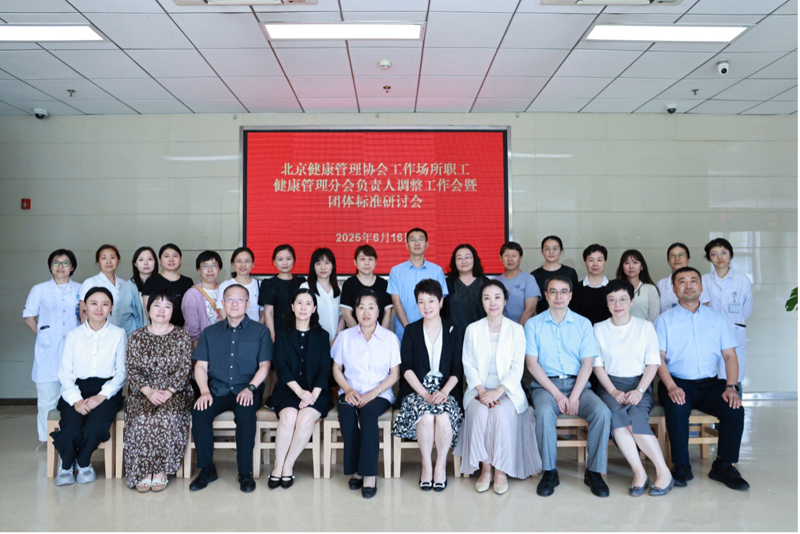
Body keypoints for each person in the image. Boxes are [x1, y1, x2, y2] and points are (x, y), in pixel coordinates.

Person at [655, 267, 748, 491]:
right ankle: (681, 466)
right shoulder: (664, 320)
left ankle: (723, 466)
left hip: (710, 384)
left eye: (693, 281)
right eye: (682, 281)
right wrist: (671, 387)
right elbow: (658, 359)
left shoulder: (717, 319)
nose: (688, 285)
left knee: (734, 409)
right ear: (674, 289)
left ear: (701, 287)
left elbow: (730, 356)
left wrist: (731, 387)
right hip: (676, 382)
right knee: (677, 408)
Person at [525, 274, 611, 498]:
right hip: (546, 386)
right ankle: (550, 472)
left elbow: (588, 363)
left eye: (563, 292)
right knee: (544, 412)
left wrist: (574, 396)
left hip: (578, 384)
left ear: (571, 295)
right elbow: (532, 364)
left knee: (602, 412)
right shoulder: (533, 324)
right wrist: (557, 395)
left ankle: (594, 472)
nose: (558, 296)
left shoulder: (583, 324)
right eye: (553, 292)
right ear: (546, 296)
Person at [454, 279, 541, 494]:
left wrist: (499, 392)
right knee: (480, 414)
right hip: (478, 389)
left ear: (504, 301)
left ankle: (501, 470)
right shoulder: (473, 329)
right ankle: (486, 468)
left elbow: (517, 367)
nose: (492, 302)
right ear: (482, 302)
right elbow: (468, 364)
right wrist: (483, 392)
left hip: (507, 390)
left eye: (497, 297)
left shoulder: (516, 330)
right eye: (487, 298)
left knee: (501, 414)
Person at [592, 279, 673, 496]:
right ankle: (639, 472)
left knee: (636, 417)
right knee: (618, 420)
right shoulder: (598, 328)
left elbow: (653, 363)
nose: (617, 304)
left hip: (639, 384)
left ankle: (663, 471)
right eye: (612, 300)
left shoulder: (645, 327)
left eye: (622, 299)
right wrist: (613, 391)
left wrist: (639, 391)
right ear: (607, 303)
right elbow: (597, 365)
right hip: (609, 386)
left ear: (631, 301)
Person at [190, 284, 273, 493]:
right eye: (230, 299)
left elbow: (265, 366)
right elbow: (200, 366)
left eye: (240, 300)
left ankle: (244, 473)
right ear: (223, 303)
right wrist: (204, 391)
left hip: (247, 390)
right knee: (200, 412)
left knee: (245, 416)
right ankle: (207, 469)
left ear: (248, 303)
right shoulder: (209, 333)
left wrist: (251, 387)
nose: (234, 304)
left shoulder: (260, 332)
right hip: (216, 390)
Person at [392, 280, 464, 492]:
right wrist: (425, 394)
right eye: (421, 301)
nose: (426, 306)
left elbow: (457, 370)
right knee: (425, 415)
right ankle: (426, 464)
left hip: (447, 390)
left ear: (441, 302)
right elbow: (406, 369)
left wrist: (443, 392)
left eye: (431, 301)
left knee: (442, 416)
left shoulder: (453, 330)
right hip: (416, 390)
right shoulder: (411, 331)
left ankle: (440, 466)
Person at [51, 287, 126, 486]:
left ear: (111, 307)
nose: (99, 309)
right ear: (84, 306)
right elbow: (65, 373)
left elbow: (121, 372)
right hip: (75, 390)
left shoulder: (118, 334)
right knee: (71, 429)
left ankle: (83, 462)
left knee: (94, 428)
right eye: (93, 303)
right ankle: (67, 464)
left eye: (105, 304)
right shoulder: (73, 335)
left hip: (107, 391)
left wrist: (102, 396)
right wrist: (76, 400)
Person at [331, 289, 401, 499]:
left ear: (379, 311)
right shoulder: (345, 337)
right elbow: (336, 369)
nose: (366, 312)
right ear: (355, 311)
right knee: (346, 413)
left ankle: (369, 474)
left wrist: (373, 393)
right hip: (350, 391)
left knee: (368, 414)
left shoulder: (389, 338)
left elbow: (395, 374)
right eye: (361, 307)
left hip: (379, 394)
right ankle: (357, 470)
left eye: (371, 307)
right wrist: (348, 389)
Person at [124, 290, 194, 492]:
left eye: (167, 306)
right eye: (157, 305)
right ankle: (144, 471)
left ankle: (161, 470)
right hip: (143, 392)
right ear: (148, 310)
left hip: (176, 392)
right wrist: (149, 392)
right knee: (143, 418)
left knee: (166, 416)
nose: (161, 310)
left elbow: (185, 368)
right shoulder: (137, 336)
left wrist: (169, 391)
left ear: (173, 311)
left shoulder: (181, 335)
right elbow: (131, 368)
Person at [268, 289, 333, 490]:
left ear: (314, 309)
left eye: (308, 303)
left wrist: (312, 395)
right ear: (293, 307)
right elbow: (281, 367)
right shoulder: (282, 334)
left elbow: (324, 369)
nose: (303, 307)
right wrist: (300, 392)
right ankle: (278, 465)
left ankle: (288, 465)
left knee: (305, 418)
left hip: (317, 392)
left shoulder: (322, 336)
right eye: (299, 303)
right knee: (288, 418)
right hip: (289, 390)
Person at [23, 249, 81, 446]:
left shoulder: (80, 288)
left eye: (65, 263)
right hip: (47, 351)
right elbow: (29, 317)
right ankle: (47, 441)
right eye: (56, 262)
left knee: (74, 394)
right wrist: (43, 337)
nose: (60, 266)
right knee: (47, 396)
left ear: (72, 267)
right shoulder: (39, 289)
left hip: (74, 348)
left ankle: (70, 437)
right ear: (50, 266)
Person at [702, 238, 752, 388]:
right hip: (710, 332)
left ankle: (736, 397)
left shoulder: (742, 280)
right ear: (709, 258)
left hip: (734, 330)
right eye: (714, 254)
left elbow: (746, 309)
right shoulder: (704, 280)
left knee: (734, 377)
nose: (719, 257)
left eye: (723, 252)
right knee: (713, 377)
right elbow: (703, 308)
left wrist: (734, 321)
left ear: (730, 254)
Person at [387, 228, 448, 341]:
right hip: (403, 331)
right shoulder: (396, 271)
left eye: (420, 239)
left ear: (427, 244)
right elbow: (396, 302)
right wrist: (409, 328)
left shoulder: (437, 271)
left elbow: (440, 301)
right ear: (406, 245)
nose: (417, 243)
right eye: (412, 240)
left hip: (431, 331)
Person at [259, 244, 306, 342]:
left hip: (300, 332)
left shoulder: (301, 282)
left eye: (288, 259)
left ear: (294, 260)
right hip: (278, 333)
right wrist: (272, 337)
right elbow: (268, 313)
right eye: (280, 259)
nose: (285, 263)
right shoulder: (269, 284)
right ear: (274, 262)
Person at [340, 244, 393, 330]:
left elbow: (387, 313)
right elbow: (346, 315)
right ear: (355, 262)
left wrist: (381, 335)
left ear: (375, 262)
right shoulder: (349, 284)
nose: (366, 263)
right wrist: (359, 335)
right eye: (362, 259)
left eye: (370, 259)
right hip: (354, 335)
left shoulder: (383, 284)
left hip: (379, 335)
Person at [142, 243, 194, 327]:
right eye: (166, 256)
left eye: (175, 256)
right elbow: (148, 313)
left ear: (180, 259)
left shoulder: (187, 282)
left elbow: (191, 312)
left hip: (183, 330)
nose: (171, 259)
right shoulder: (151, 281)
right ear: (160, 260)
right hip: (158, 329)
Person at [300, 248, 345, 344]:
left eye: (327, 263)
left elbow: (342, 316)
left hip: (336, 341)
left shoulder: (339, 290)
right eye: (318, 263)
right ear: (313, 267)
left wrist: (337, 338)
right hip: (313, 341)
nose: (323, 267)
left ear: (333, 266)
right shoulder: (305, 287)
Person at [442, 244, 487, 334]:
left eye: (467, 257)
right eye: (459, 258)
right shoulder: (447, 283)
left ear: (474, 259)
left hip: (479, 335)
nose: (463, 261)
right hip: (453, 336)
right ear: (454, 261)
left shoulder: (485, 283)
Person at [182, 250, 223, 349]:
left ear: (219, 269)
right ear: (199, 270)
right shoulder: (192, 294)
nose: (210, 270)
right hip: (205, 345)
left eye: (214, 266)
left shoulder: (226, 290)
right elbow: (192, 330)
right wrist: (199, 352)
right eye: (205, 266)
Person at [112, 246, 156, 336]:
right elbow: (123, 318)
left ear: (155, 262)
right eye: (141, 260)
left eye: (150, 259)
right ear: (135, 264)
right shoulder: (128, 286)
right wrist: (136, 337)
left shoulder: (161, 284)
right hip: (137, 337)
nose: (146, 263)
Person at [494, 241, 540, 325]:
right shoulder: (496, 281)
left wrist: (518, 329)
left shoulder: (528, 279)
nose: (510, 259)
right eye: (506, 255)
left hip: (525, 327)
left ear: (520, 258)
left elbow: (530, 309)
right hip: (503, 327)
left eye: (514, 256)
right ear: (500, 258)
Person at [656, 243, 710, 314]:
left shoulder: (698, 281)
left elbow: (705, 308)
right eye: (673, 256)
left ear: (688, 259)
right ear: (668, 260)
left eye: (681, 255)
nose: (677, 259)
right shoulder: (661, 283)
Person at [531, 235, 579, 314]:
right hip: (542, 318)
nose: (551, 252)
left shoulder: (570, 272)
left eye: (555, 248)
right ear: (542, 251)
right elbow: (533, 304)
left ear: (561, 251)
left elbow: (575, 300)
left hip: (567, 318)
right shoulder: (535, 275)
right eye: (547, 249)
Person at [78, 244, 126, 322]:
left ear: (118, 261)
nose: (108, 261)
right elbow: (83, 315)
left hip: (122, 328)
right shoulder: (90, 283)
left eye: (112, 257)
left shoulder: (124, 283)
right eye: (104, 258)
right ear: (98, 262)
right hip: (99, 329)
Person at [570, 244, 612, 325]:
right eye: (591, 260)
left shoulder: (614, 288)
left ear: (605, 262)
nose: (595, 264)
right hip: (582, 331)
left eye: (599, 260)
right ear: (585, 263)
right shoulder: (576, 289)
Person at [217, 247, 261, 323]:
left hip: (255, 329)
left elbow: (263, 312)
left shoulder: (260, 285)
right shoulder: (225, 285)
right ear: (233, 264)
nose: (243, 265)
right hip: (231, 329)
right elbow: (222, 311)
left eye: (247, 261)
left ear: (253, 264)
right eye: (239, 261)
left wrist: (258, 328)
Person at [616, 249, 660, 322]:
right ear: (622, 267)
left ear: (642, 266)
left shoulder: (650, 289)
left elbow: (654, 316)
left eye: (635, 262)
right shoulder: (616, 289)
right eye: (627, 263)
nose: (631, 267)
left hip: (644, 328)